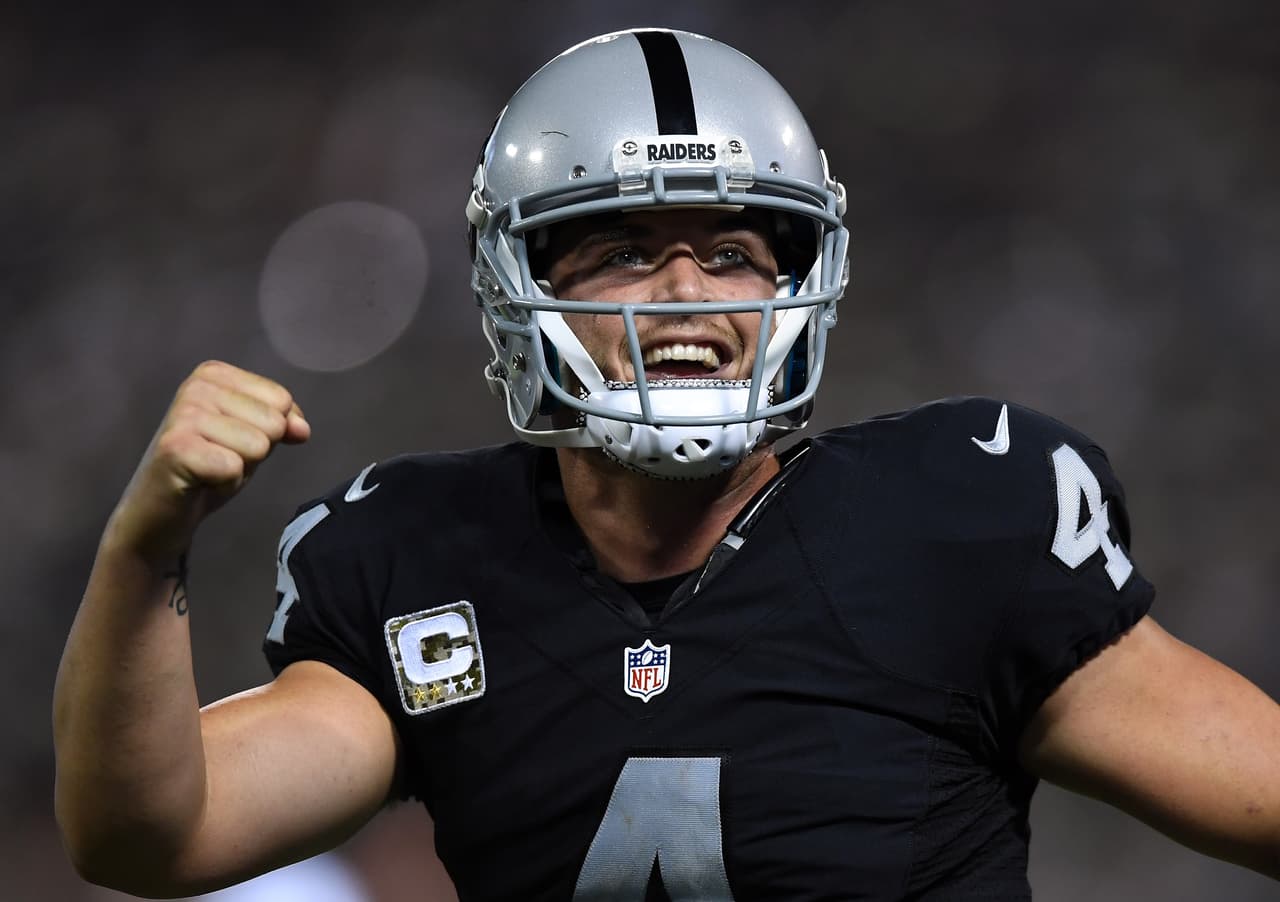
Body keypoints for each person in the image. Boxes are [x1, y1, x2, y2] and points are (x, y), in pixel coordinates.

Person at [53, 27, 1280, 900]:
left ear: (799, 286)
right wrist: (144, 545)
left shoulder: (960, 517)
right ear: (518, 290)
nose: (688, 290)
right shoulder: (419, 556)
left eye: (734, 251)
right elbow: (152, 836)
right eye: (625, 251)